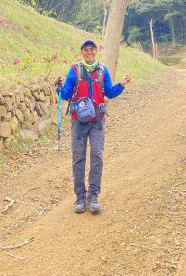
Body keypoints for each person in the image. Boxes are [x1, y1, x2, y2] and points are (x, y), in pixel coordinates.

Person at [54, 39, 131, 214]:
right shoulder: (74, 70)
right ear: (82, 52)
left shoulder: (103, 71)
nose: (89, 52)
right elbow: (66, 94)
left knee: (97, 156)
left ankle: (93, 196)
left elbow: (109, 92)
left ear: (96, 51)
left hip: (97, 119)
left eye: (92, 49)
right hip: (78, 120)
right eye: (85, 50)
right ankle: (80, 197)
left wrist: (121, 85)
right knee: (78, 158)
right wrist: (58, 88)